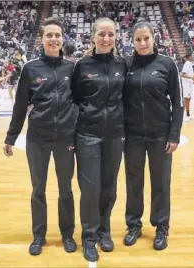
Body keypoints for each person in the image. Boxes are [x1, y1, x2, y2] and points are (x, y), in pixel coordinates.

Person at [3, 18, 77, 256]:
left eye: (57, 35)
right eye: (49, 35)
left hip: (66, 137)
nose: (54, 39)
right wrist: (11, 136)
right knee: (38, 189)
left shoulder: (72, 68)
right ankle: (39, 236)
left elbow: (82, 101)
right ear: (42, 39)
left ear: (63, 38)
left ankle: (67, 234)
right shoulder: (30, 68)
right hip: (37, 138)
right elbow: (20, 105)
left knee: (65, 189)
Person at [123, 21, 183, 251]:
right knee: (133, 182)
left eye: (146, 38)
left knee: (161, 183)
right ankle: (133, 225)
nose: (142, 43)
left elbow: (177, 103)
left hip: (160, 135)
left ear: (153, 38)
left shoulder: (167, 64)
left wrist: (174, 134)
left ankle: (161, 227)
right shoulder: (126, 64)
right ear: (133, 41)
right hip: (132, 135)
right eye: (138, 39)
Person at [71, 17, 126, 262]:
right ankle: (89, 236)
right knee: (90, 188)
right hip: (87, 135)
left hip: (114, 135)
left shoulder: (121, 64)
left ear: (116, 36)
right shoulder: (82, 65)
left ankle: (104, 229)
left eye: (111, 34)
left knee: (109, 188)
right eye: (102, 34)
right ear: (93, 36)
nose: (106, 39)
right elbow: (74, 99)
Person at [180, 52, 194, 122]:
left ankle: (188, 115)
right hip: (186, 84)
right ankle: (182, 116)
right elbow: (182, 74)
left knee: (188, 99)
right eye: (193, 56)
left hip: (189, 84)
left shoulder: (189, 64)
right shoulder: (187, 64)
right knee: (185, 100)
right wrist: (192, 78)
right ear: (189, 57)